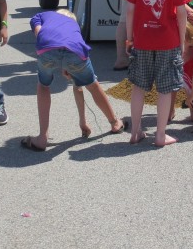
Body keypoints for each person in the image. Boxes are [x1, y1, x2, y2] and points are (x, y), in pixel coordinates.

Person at [122, 0, 191, 147]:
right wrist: (181, 41)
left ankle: (135, 131)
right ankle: (160, 135)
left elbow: (130, 9)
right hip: (168, 41)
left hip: (142, 39)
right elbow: (181, 13)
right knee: (165, 89)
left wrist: (130, 37)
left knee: (139, 87)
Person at [20, 9, 124, 151]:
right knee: (92, 85)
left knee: (43, 85)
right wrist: (82, 121)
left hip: (47, 46)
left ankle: (42, 137)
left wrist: (48, 48)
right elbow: (77, 85)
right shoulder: (73, 26)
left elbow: (39, 31)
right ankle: (115, 122)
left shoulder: (44, 16)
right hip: (75, 51)